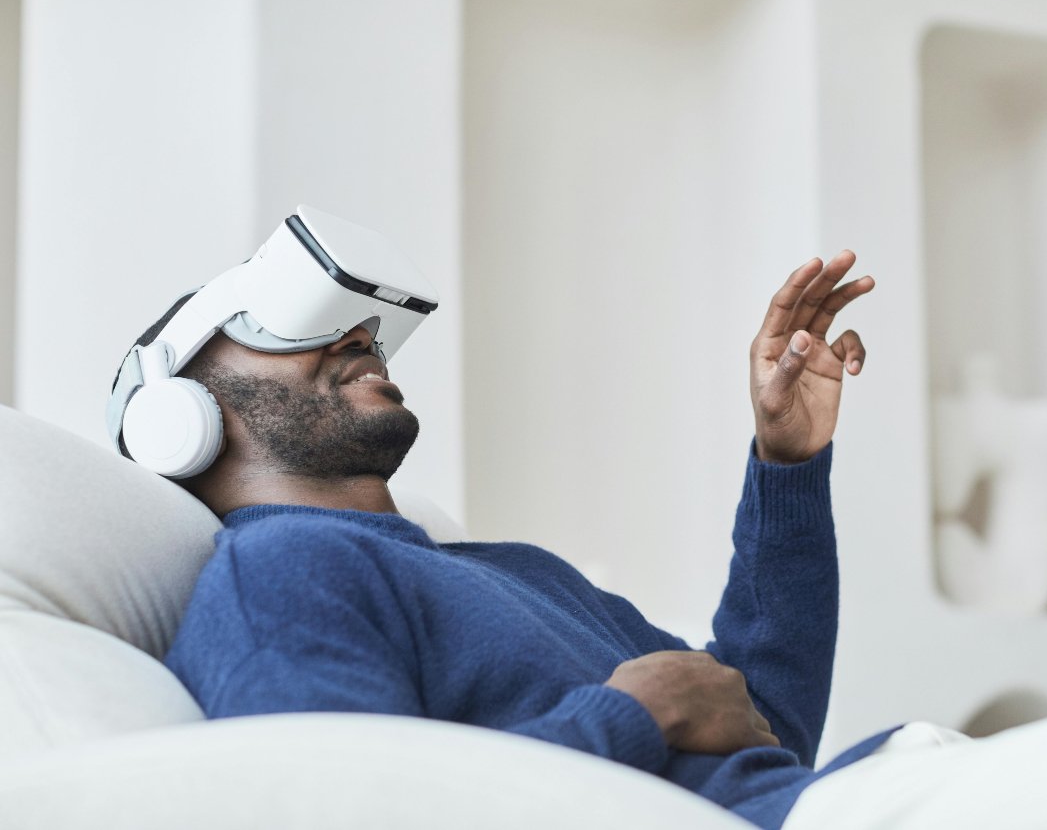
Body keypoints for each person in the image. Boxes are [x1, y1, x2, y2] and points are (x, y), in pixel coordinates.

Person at [114, 245, 887, 830]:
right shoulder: (281, 573)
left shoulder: (517, 570)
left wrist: (790, 463)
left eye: (359, 323)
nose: (358, 334)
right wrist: (633, 715)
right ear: (175, 415)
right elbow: (348, 809)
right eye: (277, 323)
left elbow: (764, 727)